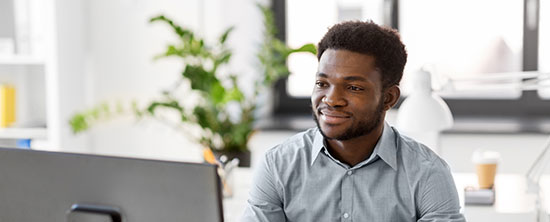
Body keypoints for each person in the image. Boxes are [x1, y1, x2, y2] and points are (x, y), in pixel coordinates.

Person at [241, 21, 465, 221]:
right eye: (322, 84)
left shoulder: (428, 174)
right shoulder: (278, 165)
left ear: (388, 98)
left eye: (354, 88)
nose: (332, 100)